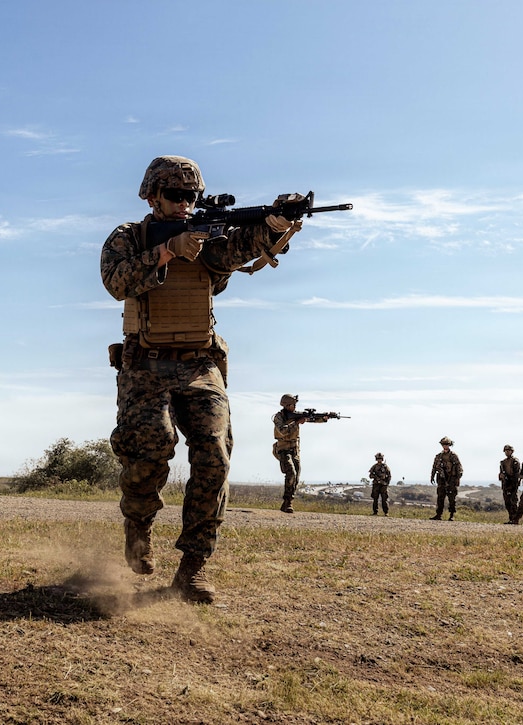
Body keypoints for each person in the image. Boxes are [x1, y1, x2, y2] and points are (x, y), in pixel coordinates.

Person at [101, 155, 300, 603]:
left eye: (191, 196)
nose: (184, 204)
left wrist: (274, 224)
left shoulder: (210, 240)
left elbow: (242, 247)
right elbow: (116, 281)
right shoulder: (128, 238)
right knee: (148, 453)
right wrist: (169, 251)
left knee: (214, 455)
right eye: (175, 195)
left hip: (200, 364)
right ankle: (139, 528)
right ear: (152, 196)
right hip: (144, 365)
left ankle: (192, 568)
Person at [272, 394, 329, 513]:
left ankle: (288, 502)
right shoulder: (279, 416)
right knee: (290, 472)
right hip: (283, 448)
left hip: (294, 449)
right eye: (293, 404)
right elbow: (282, 430)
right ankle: (287, 502)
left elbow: (311, 419)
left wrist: (323, 418)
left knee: (296, 475)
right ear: (287, 405)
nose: (295, 407)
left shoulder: (296, 415)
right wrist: (297, 422)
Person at [429, 437, 463, 520]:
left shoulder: (453, 456)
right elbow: (434, 467)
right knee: (440, 497)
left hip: (451, 479)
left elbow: (459, 467)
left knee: (452, 497)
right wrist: (432, 476)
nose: (445, 446)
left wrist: (457, 478)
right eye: (443, 444)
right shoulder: (439, 456)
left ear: (449, 445)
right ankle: (438, 514)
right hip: (441, 479)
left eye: (446, 444)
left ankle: (452, 515)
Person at [499, 445, 521, 523]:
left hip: (513, 484)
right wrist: (501, 476)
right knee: (507, 502)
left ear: (512, 451)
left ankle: (515, 519)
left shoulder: (515, 461)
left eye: (508, 450)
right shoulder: (503, 462)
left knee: (513, 502)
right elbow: (501, 473)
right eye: (506, 451)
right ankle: (511, 519)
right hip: (505, 484)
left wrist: (512, 484)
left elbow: (516, 474)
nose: (507, 452)